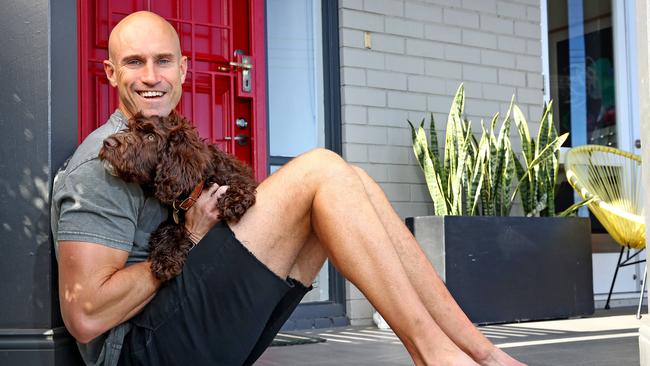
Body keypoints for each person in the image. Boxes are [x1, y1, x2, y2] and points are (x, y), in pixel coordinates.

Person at [51, 10, 525, 366]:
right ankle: (435, 356)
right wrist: (191, 239)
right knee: (320, 169)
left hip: (189, 329)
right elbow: (87, 316)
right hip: (143, 351)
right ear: (111, 74)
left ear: (184, 69)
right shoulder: (101, 165)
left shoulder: (176, 142)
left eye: (163, 61)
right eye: (134, 63)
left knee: (348, 182)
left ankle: (481, 354)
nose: (151, 76)